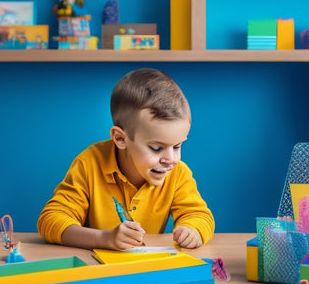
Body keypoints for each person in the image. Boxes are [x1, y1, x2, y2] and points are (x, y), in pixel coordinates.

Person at [37, 68, 214, 251]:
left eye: (177, 146)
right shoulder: (89, 163)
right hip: (95, 269)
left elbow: (199, 215)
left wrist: (193, 230)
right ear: (121, 139)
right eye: (156, 148)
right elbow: (51, 219)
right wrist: (104, 239)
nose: (171, 159)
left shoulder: (177, 173)